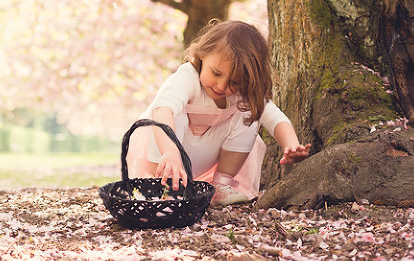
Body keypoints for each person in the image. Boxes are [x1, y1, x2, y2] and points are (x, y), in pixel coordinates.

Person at [126, 19, 310, 206]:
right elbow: (163, 110)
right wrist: (170, 150)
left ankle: (221, 185)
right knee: (171, 113)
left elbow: (275, 118)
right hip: (163, 157)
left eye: (234, 82)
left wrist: (291, 145)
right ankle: (162, 188)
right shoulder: (188, 77)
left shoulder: (241, 95)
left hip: (199, 158)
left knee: (249, 111)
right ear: (203, 54)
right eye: (216, 73)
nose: (222, 86)